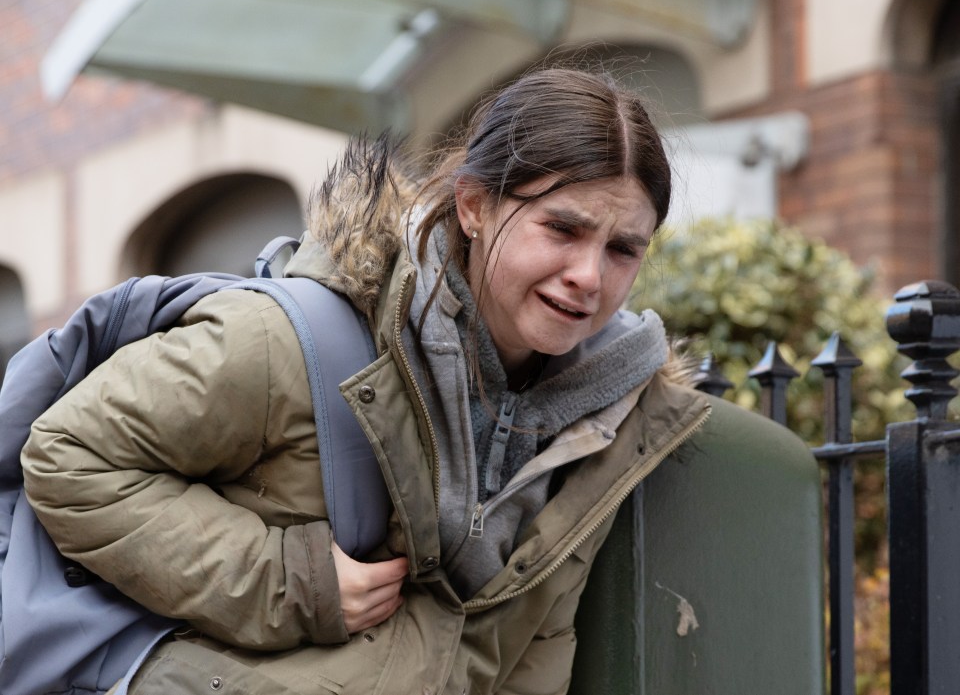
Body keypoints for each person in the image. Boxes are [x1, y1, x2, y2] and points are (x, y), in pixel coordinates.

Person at [21, 66, 711, 694]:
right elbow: (68, 456)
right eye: (562, 228)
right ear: (473, 205)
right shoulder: (290, 341)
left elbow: (531, 648)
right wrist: (292, 579)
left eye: (623, 249)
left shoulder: (601, 424)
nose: (589, 276)